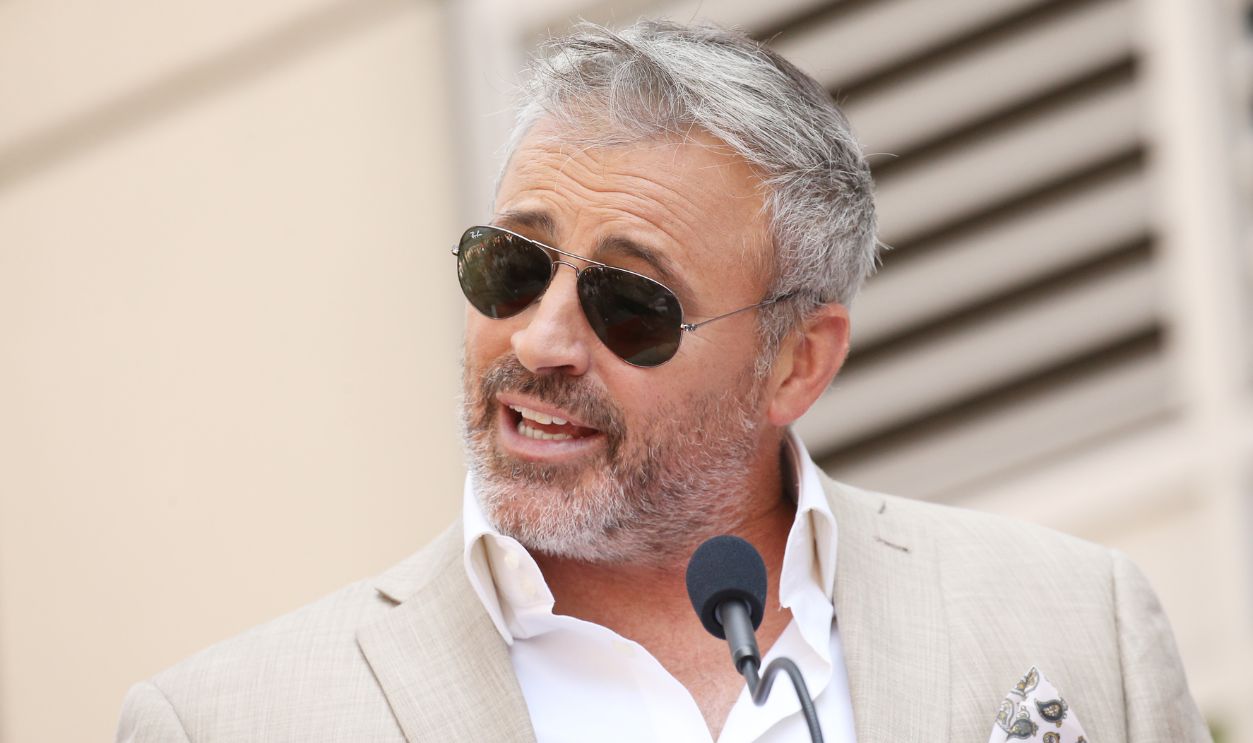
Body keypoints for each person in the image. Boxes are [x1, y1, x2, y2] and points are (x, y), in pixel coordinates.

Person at [117, 20, 1210, 743]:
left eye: (629, 302)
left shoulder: (1077, 616)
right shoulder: (227, 720)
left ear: (795, 361)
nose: (539, 338)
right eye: (511, 264)